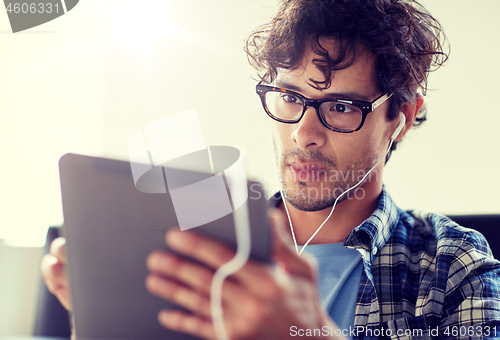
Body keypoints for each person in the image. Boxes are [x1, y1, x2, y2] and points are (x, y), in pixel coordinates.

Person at [42, 0, 500, 339]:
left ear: (398, 119)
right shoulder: (202, 244)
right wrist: (102, 319)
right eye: (291, 98)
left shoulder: (451, 265)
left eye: (340, 106)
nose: (304, 133)